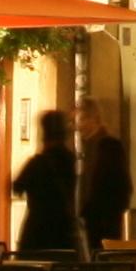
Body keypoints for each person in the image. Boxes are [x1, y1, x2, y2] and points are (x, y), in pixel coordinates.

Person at [11, 108, 81, 255]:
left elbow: (17, 186)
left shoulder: (38, 163)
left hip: (37, 230)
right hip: (63, 231)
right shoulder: (70, 161)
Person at [77, 99, 134, 246]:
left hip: (103, 219)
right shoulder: (90, 146)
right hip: (97, 217)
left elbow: (119, 184)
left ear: (93, 118)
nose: (79, 126)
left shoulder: (106, 146)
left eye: (82, 119)